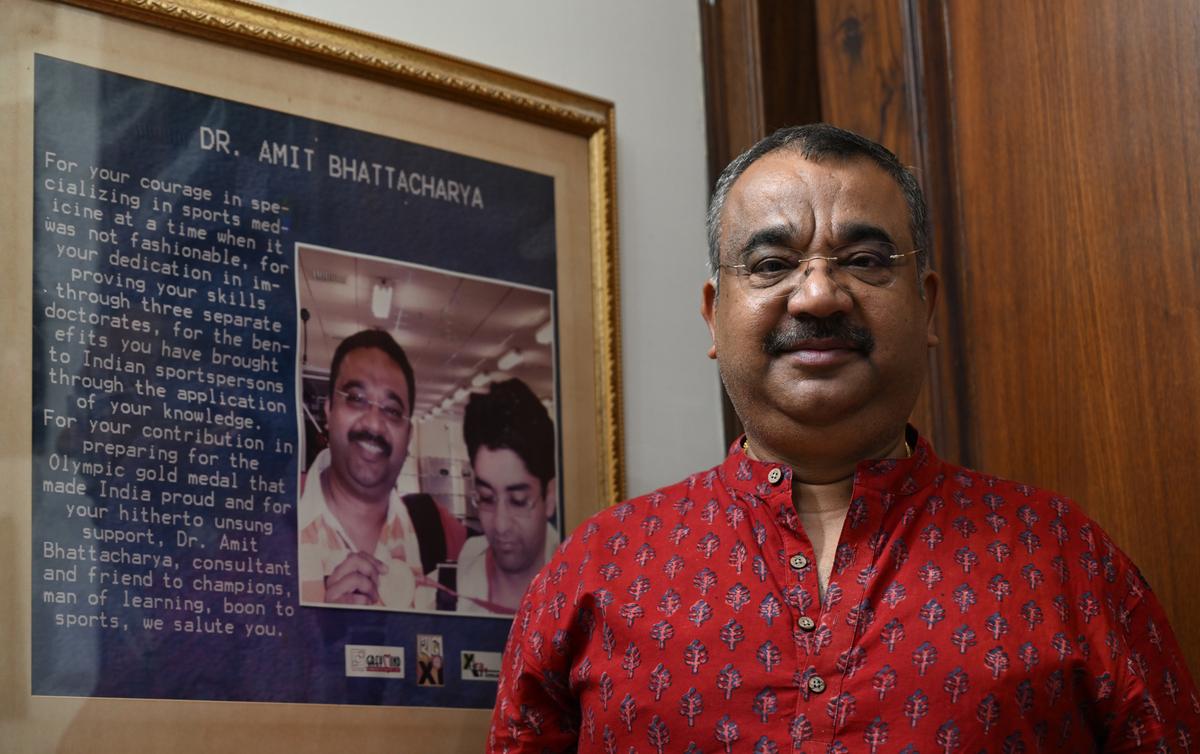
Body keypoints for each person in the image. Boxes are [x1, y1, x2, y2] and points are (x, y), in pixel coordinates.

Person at [489, 125, 1199, 751]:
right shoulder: (595, 573)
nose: (819, 295)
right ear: (713, 315)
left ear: (925, 306)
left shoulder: (1065, 561)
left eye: (864, 260)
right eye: (772, 265)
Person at [298, 329, 464, 610]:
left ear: (408, 434)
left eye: (392, 410)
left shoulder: (444, 535)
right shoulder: (270, 522)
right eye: (356, 398)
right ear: (328, 412)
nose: (374, 425)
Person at [458, 378, 559, 615]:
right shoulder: (452, 585)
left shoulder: (580, 585)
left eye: (518, 501)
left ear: (550, 497)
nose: (500, 525)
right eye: (486, 497)